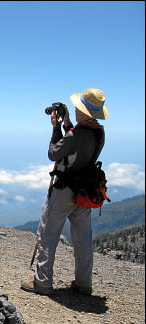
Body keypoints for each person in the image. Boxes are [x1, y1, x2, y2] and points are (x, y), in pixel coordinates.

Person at [21, 88, 108, 296]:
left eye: (78, 109)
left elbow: (54, 153)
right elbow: (76, 146)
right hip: (85, 191)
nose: (76, 112)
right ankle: (84, 283)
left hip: (64, 191)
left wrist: (56, 128)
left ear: (84, 112)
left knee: (48, 234)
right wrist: (67, 124)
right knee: (83, 238)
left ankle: (42, 283)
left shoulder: (74, 135)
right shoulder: (98, 132)